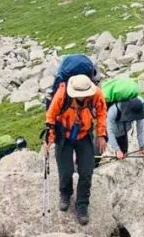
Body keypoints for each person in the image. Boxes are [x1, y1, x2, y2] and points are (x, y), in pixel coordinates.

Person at [44, 73, 107, 225]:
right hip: (63, 135)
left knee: (86, 172)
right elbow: (51, 116)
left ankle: (82, 205)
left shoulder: (96, 94)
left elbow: (101, 112)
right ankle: (65, 194)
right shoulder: (62, 94)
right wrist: (49, 139)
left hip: (84, 135)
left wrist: (101, 135)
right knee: (66, 171)